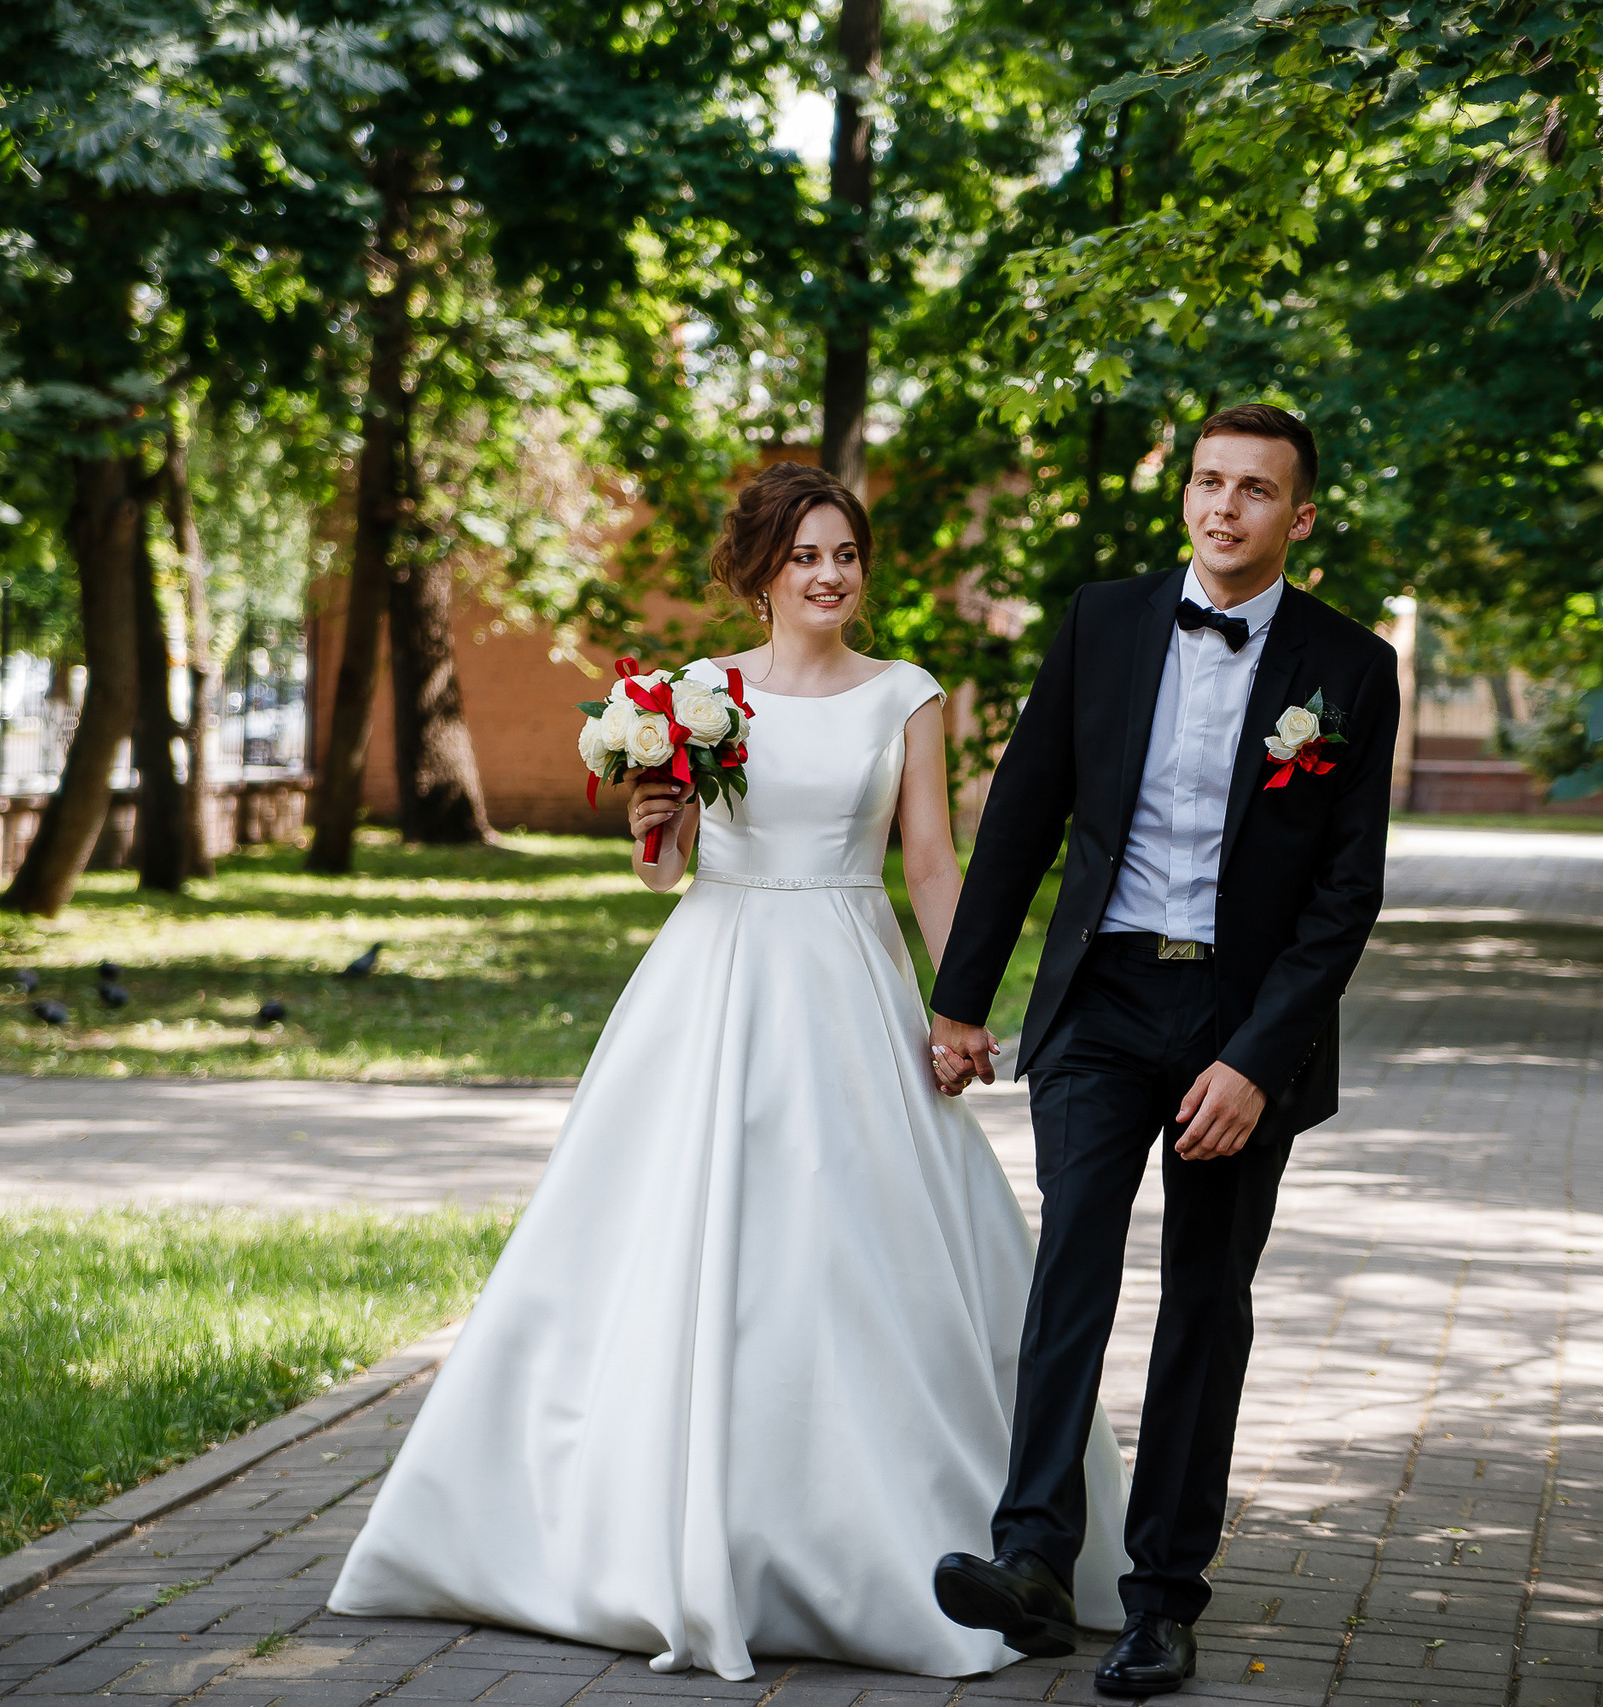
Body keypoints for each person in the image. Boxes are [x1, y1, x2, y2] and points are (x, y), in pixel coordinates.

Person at [326, 463, 1130, 1680]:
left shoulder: (907, 696)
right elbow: (667, 865)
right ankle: (619, 1528)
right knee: (669, 1235)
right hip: (716, 971)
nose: (827, 575)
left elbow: (926, 859)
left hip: (850, 973)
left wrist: (958, 1002)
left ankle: (912, 1534)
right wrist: (653, 816)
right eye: (805, 555)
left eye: (844, 554)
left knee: (857, 1243)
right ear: (760, 573)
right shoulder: (702, 693)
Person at [926, 405, 1399, 1696]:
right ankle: (1030, 1555)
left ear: (1301, 516)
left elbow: (1342, 896)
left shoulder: (1351, 668)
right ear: (1184, 494)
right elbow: (1021, 812)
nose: (1224, 506)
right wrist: (961, 997)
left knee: (1203, 1295)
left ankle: (1162, 1598)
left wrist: (1255, 1059)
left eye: (1256, 489)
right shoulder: (1106, 619)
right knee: (1071, 1254)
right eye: (1207, 481)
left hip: (1245, 1028)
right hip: (1101, 1001)